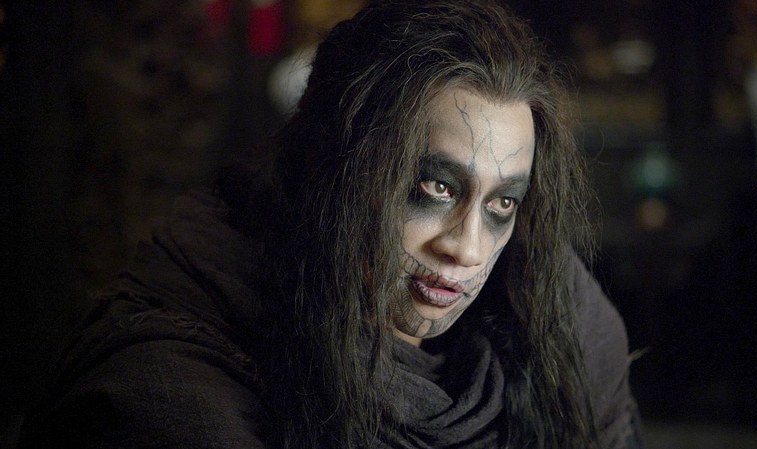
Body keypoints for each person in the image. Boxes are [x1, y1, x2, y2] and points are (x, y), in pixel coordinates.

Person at [19, 1, 643, 448]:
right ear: (333, 171)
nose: (467, 248)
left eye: (502, 203)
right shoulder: (172, 395)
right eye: (435, 187)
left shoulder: (556, 323)